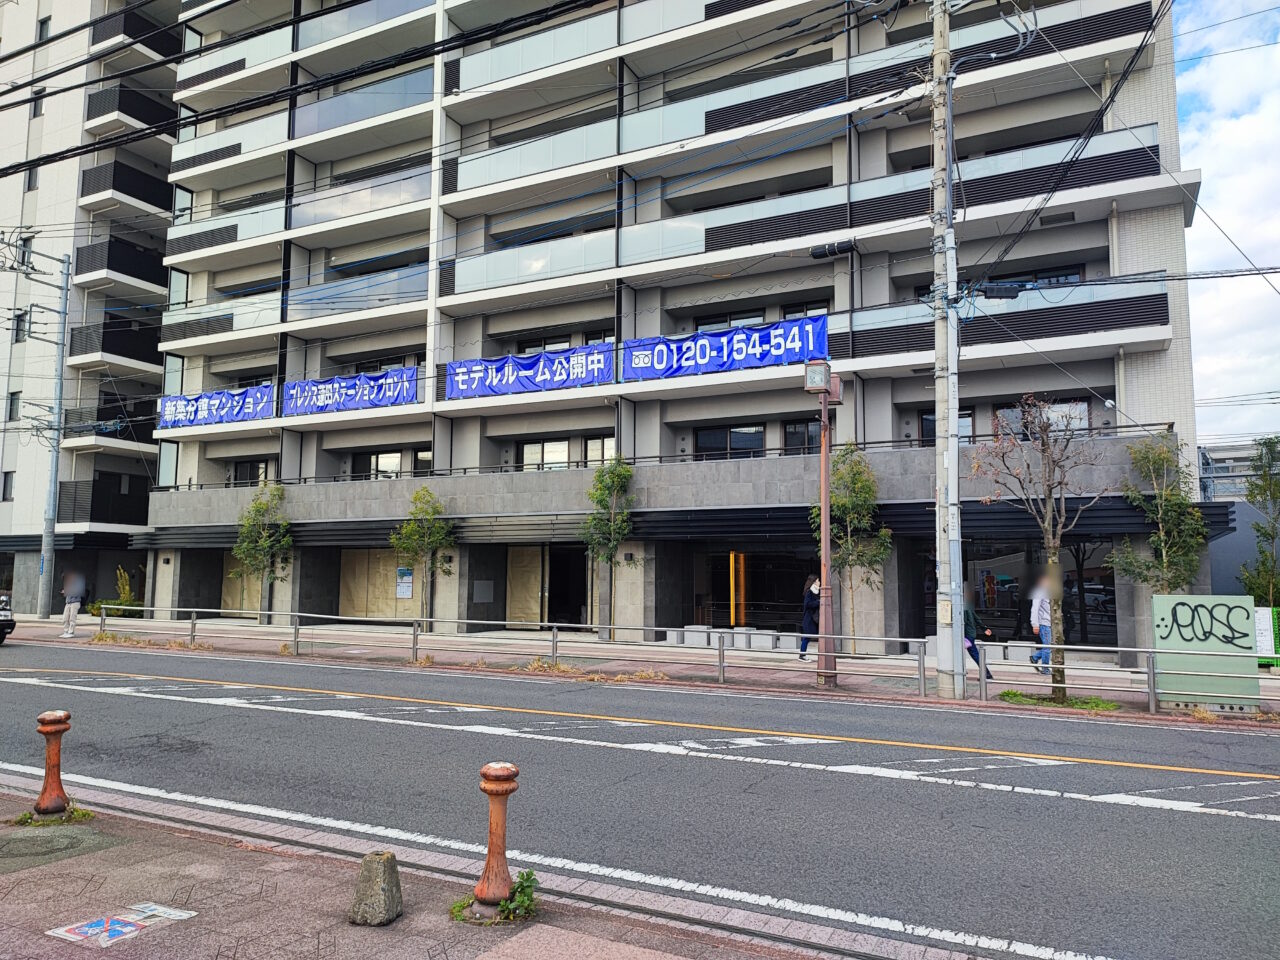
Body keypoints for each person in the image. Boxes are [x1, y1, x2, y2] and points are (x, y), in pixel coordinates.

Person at [963, 586, 994, 680]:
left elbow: (962, 623)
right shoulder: (966, 606)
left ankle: (987, 674)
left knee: (975, 655)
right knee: (972, 654)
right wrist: (984, 628)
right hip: (970, 634)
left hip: (966, 635)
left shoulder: (962, 607)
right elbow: (976, 618)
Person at [1028, 573, 1052, 675]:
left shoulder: (1048, 592)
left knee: (1049, 646)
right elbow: (1035, 609)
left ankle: (1035, 657)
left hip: (1048, 623)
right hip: (1043, 623)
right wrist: (1035, 624)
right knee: (1048, 647)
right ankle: (1045, 668)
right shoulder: (1039, 592)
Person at [799, 574, 820, 661]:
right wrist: (818, 602)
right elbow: (807, 604)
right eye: (818, 581)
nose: (819, 582)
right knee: (807, 637)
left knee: (808, 637)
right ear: (814, 582)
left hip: (814, 618)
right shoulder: (809, 592)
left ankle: (802, 655)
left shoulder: (817, 591)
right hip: (809, 619)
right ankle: (802, 655)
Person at [60, 568, 85, 639]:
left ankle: (71, 632)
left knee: (72, 618)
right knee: (65, 618)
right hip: (68, 603)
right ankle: (65, 631)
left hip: (75, 602)